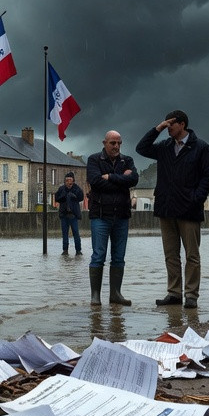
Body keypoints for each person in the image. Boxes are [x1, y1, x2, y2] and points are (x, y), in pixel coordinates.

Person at [136, 110, 209, 308]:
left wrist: (195, 198)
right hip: (166, 207)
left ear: (182, 124)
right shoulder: (164, 146)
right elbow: (141, 148)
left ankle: (191, 295)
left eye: (170, 124)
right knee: (171, 255)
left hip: (189, 210)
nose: (167, 128)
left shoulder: (201, 147)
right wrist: (157, 129)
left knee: (192, 255)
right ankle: (173, 293)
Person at [86, 131, 139, 306]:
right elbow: (95, 182)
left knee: (119, 257)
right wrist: (122, 180)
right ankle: (95, 296)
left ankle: (115, 294)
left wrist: (111, 177)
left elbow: (133, 179)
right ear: (104, 143)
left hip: (122, 215)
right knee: (98, 255)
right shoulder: (94, 160)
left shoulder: (127, 160)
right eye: (112, 143)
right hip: (100, 215)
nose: (116, 146)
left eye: (119, 143)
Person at [54, 173, 85, 256]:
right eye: (67, 180)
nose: (68, 182)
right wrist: (63, 195)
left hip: (73, 215)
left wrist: (74, 196)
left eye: (70, 180)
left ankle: (78, 251)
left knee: (76, 233)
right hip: (64, 215)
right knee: (64, 233)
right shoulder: (61, 189)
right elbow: (56, 198)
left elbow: (81, 197)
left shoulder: (77, 188)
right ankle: (65, 250)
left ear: (73, 181)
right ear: (65, 181)